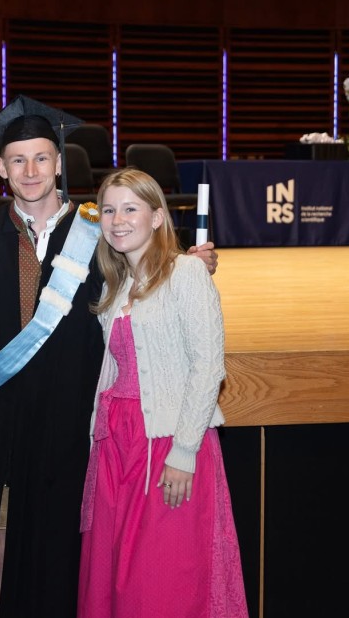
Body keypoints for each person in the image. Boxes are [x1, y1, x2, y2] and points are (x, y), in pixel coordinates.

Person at [0, 95, 217, 618]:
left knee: (67, 561)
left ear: (59, 163)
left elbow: (148, 273)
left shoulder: (98, 235)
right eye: (18, 160)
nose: (31, 171)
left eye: (42, 158)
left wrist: (189, 264)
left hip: (75, 427)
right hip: (0, 427)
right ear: (1, 168)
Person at [78, 168, 247, 618]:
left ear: (156, 217)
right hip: (117, 445)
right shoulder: (115, 286)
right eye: (109, 210)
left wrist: (184, 451)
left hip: (166, 443)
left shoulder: (186, 273)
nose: (117, 220)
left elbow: (208, 367)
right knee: (114, 576)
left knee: (159, 580)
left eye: (130, 209)